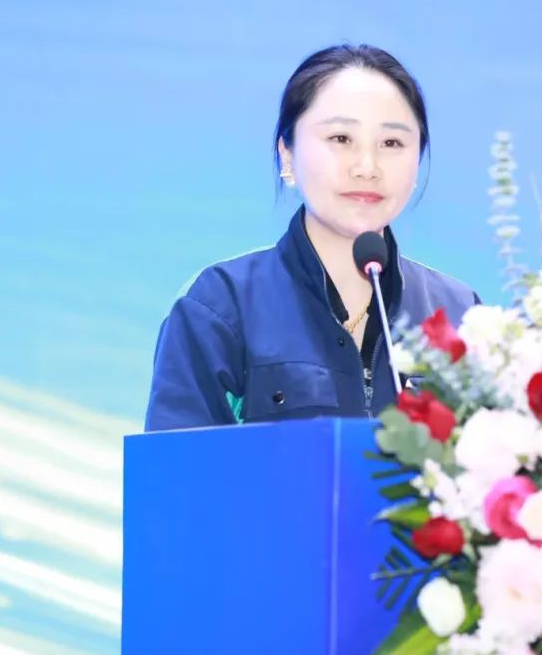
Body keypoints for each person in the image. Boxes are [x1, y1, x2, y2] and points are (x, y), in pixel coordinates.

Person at [143, 43, 479, 431]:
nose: (367, 167)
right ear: (287, 154)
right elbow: (176, 465)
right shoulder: (220, 306)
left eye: (391, 143)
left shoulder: (458, 313)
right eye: (340, 139)